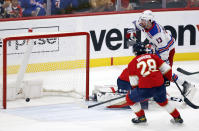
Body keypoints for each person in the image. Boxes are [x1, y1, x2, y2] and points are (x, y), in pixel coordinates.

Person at [126, 10, 196, 97]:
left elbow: (164, 50)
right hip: (157, 48)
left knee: (165, 72)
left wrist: (164, 63)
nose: (141, 22)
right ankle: (158, 88)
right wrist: (131, 34)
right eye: (141, 20)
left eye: (143, 20)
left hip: (168, 51)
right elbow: (133, 24)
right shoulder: (145, 24)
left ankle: (186, 85)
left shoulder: (157, 34)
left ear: (149, 21)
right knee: (153, 69)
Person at [126, 42, 183, 124]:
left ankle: (141, 118)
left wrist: (139, 92)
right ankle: (177, 117)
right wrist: (167, 79)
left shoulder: (132, 63)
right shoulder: (153, 57)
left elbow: (134, 83)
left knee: (129, 98)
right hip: (160, 86)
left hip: (145, 89)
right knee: (163, 101)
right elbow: (167, 69)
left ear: (135, 52)